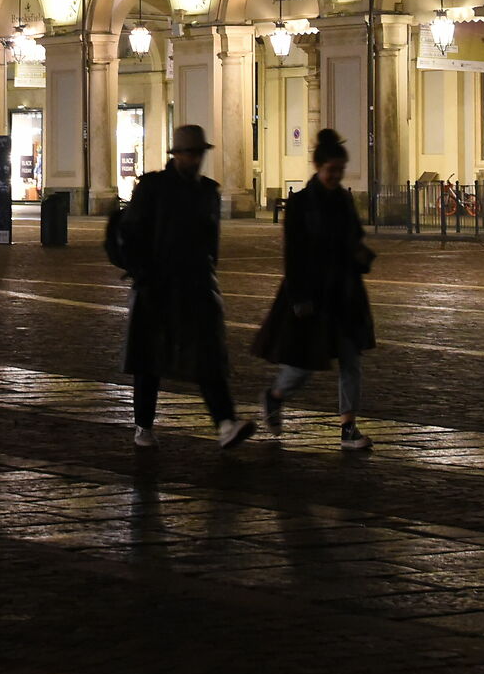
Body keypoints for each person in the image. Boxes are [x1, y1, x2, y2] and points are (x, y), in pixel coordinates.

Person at [115, 124, 255, 450]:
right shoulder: (153, 187)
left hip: (194, 283)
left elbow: (210, 238)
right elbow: (131, 231)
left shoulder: (207, 190)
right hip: (157, 283)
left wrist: (209, 269)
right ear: (176, 154)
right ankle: (144, 425)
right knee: (149, 358)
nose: (195, 160)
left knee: (207, 353)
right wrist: (140, 270)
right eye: (190, 153)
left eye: (199, 154)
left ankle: (225, 422)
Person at [254, 130, 377, 452]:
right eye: (331, 170)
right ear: (318, 166)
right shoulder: (301, 204)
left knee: (351, 360)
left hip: (345, 292)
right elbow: (292, 254)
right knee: (305, 362)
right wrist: (299, 297)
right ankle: (275, 395)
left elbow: (353, 237)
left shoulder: (343, 199)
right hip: (312, 292)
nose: (336, 176)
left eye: (340, 171)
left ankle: (348, 426)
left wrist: (361, 256)